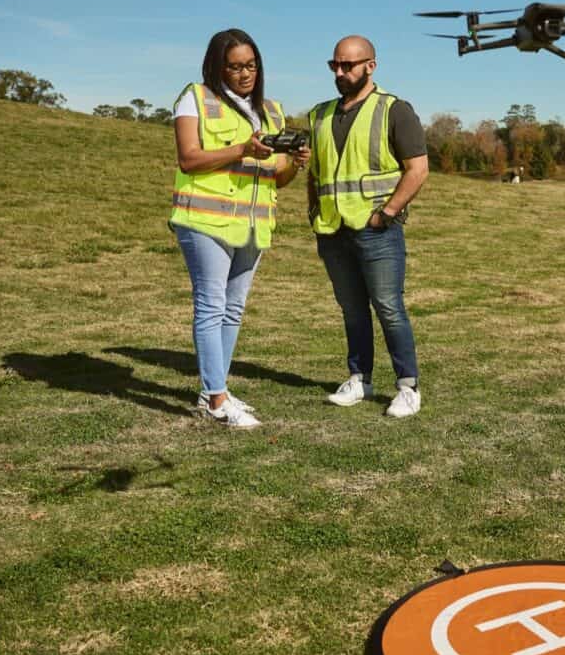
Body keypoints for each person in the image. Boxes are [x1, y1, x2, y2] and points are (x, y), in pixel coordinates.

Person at [168, 29, 310, 428]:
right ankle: (216, 400)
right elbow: (188, 159)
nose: (245, 74)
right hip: (205, 220)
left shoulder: (270, 110)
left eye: (251, 65)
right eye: (234, 67)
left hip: (252, 226)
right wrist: (241, 149)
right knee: (211, 306)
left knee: (233, 309)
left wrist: (295, 163)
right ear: (217, 66)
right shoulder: (195, 98)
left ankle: (215, 390)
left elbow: (275, 178)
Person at [305, 35, 428, 418]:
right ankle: (359, 378)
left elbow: (418, 169)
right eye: (334, 66)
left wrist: (387, 213)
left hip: (377, 230)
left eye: (348, 65)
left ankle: (408, 387)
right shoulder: (318, 114)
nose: (340, 72)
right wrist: (313, 211)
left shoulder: (395, 110)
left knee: (389, 307)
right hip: (332, 229)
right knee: (352, 310)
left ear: (370, 66)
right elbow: (315, 171)